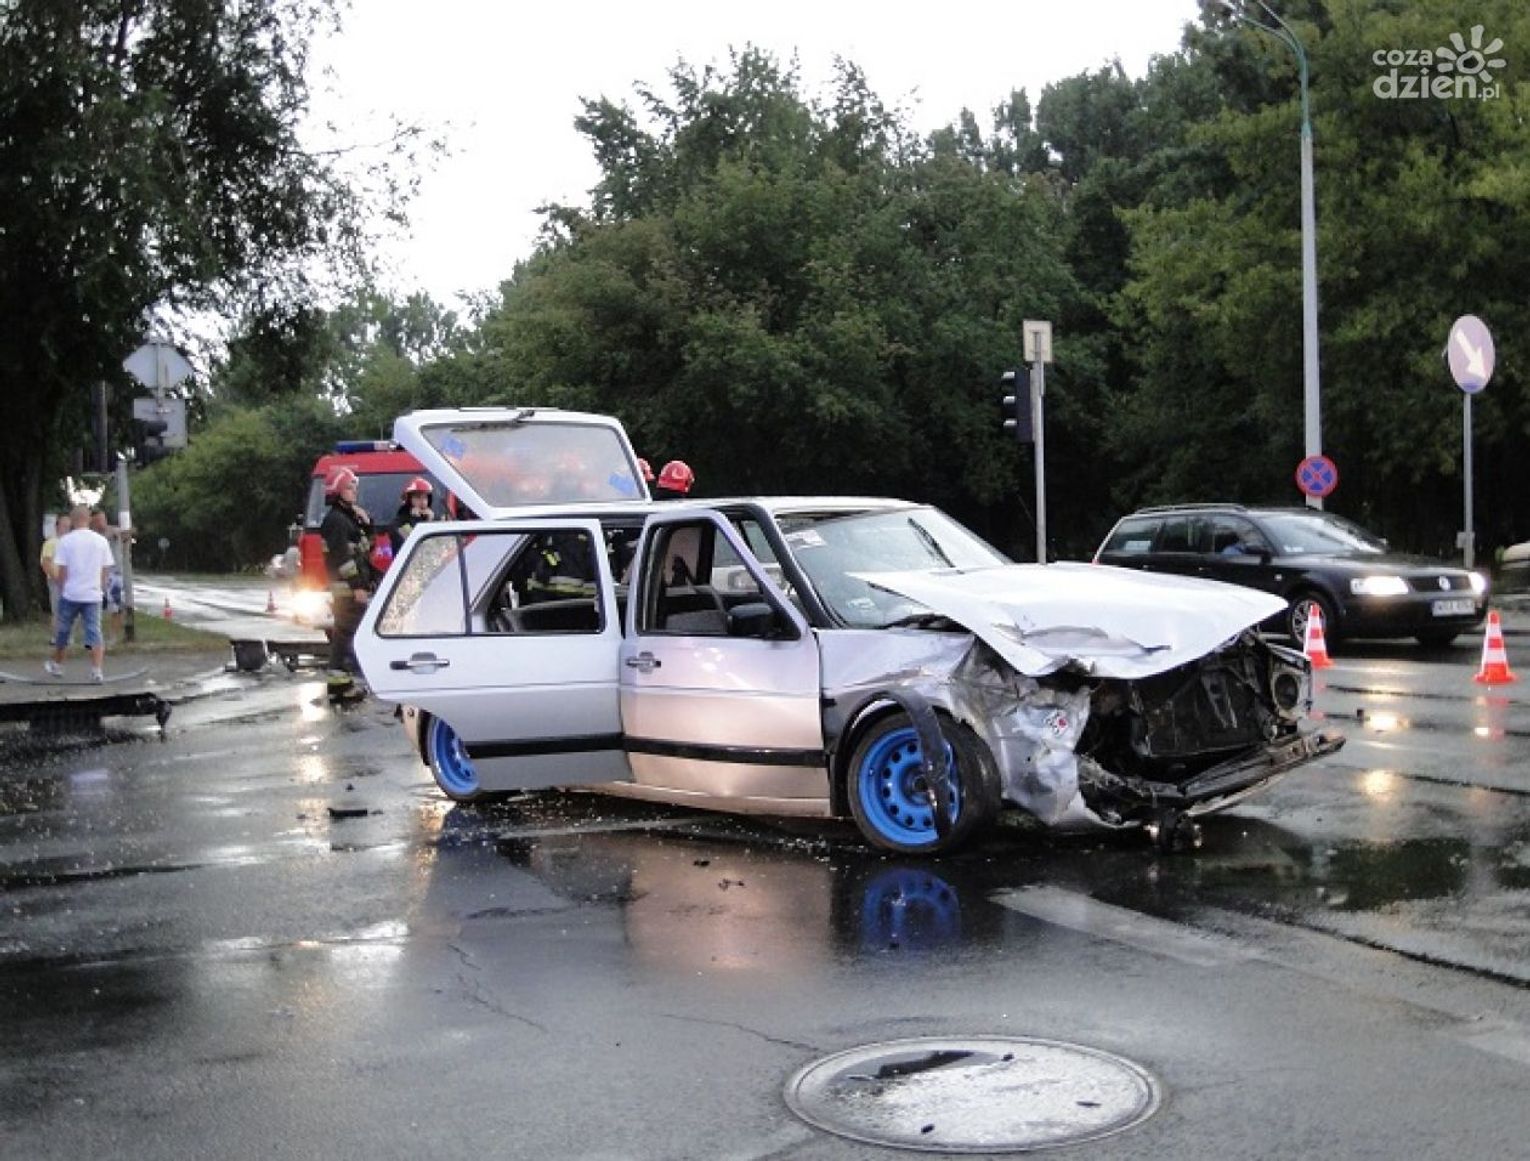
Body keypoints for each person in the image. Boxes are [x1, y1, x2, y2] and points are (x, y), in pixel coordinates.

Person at [320, 467, 377, 703]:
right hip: (347, 591)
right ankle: (340, 687)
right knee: (346, 636)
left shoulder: (347, 519)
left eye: (354, 487)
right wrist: (356, 587)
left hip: (351, 588)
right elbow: (342, 559)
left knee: (347, 635)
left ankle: (342, 685)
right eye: (349, 487)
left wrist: (368, 524)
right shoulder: (336, 521)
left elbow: (365, 549)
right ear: (337, 491)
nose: (354, 491)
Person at [45, 506, 115, 682]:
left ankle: (58, 665)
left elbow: (62, 570)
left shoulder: (66, 541)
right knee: (94, 631)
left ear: (72, 520)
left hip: (71, 593)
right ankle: (96, 670)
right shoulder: (100, 541)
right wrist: (100, 587)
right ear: (89, 519)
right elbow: (105, 568)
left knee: (63, 631)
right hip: (92, 594)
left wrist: (62, 588)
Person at [90, 510, 125, 644]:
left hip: (114, 574)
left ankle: (113, 636)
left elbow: (123, 532)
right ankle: (95, 634)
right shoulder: (91, 536)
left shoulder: (112, 532)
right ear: (92, 522)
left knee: (115, 607)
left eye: (103, 519)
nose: (101, 523)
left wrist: (122, 532)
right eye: (98, 520)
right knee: (94, 605)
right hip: (96, 574)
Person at [388, 476, 435, 557]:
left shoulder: (430, 519)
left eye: (425, 497)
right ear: (409, 500)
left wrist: (430, 522)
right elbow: (414, 542)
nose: (423, 502)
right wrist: (416, 519)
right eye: (418, 497)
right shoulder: (399, 523)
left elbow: (436, 547)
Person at [39, 514, 69, 627]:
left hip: (69, 580)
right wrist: (57, 578)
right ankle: (57, 633)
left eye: (69, 526)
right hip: (56, 581)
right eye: (64, 525)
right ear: (57, 527)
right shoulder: (51, 543)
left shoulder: (70, 542)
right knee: (58, 609)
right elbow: (46, 562)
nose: (66, 528)